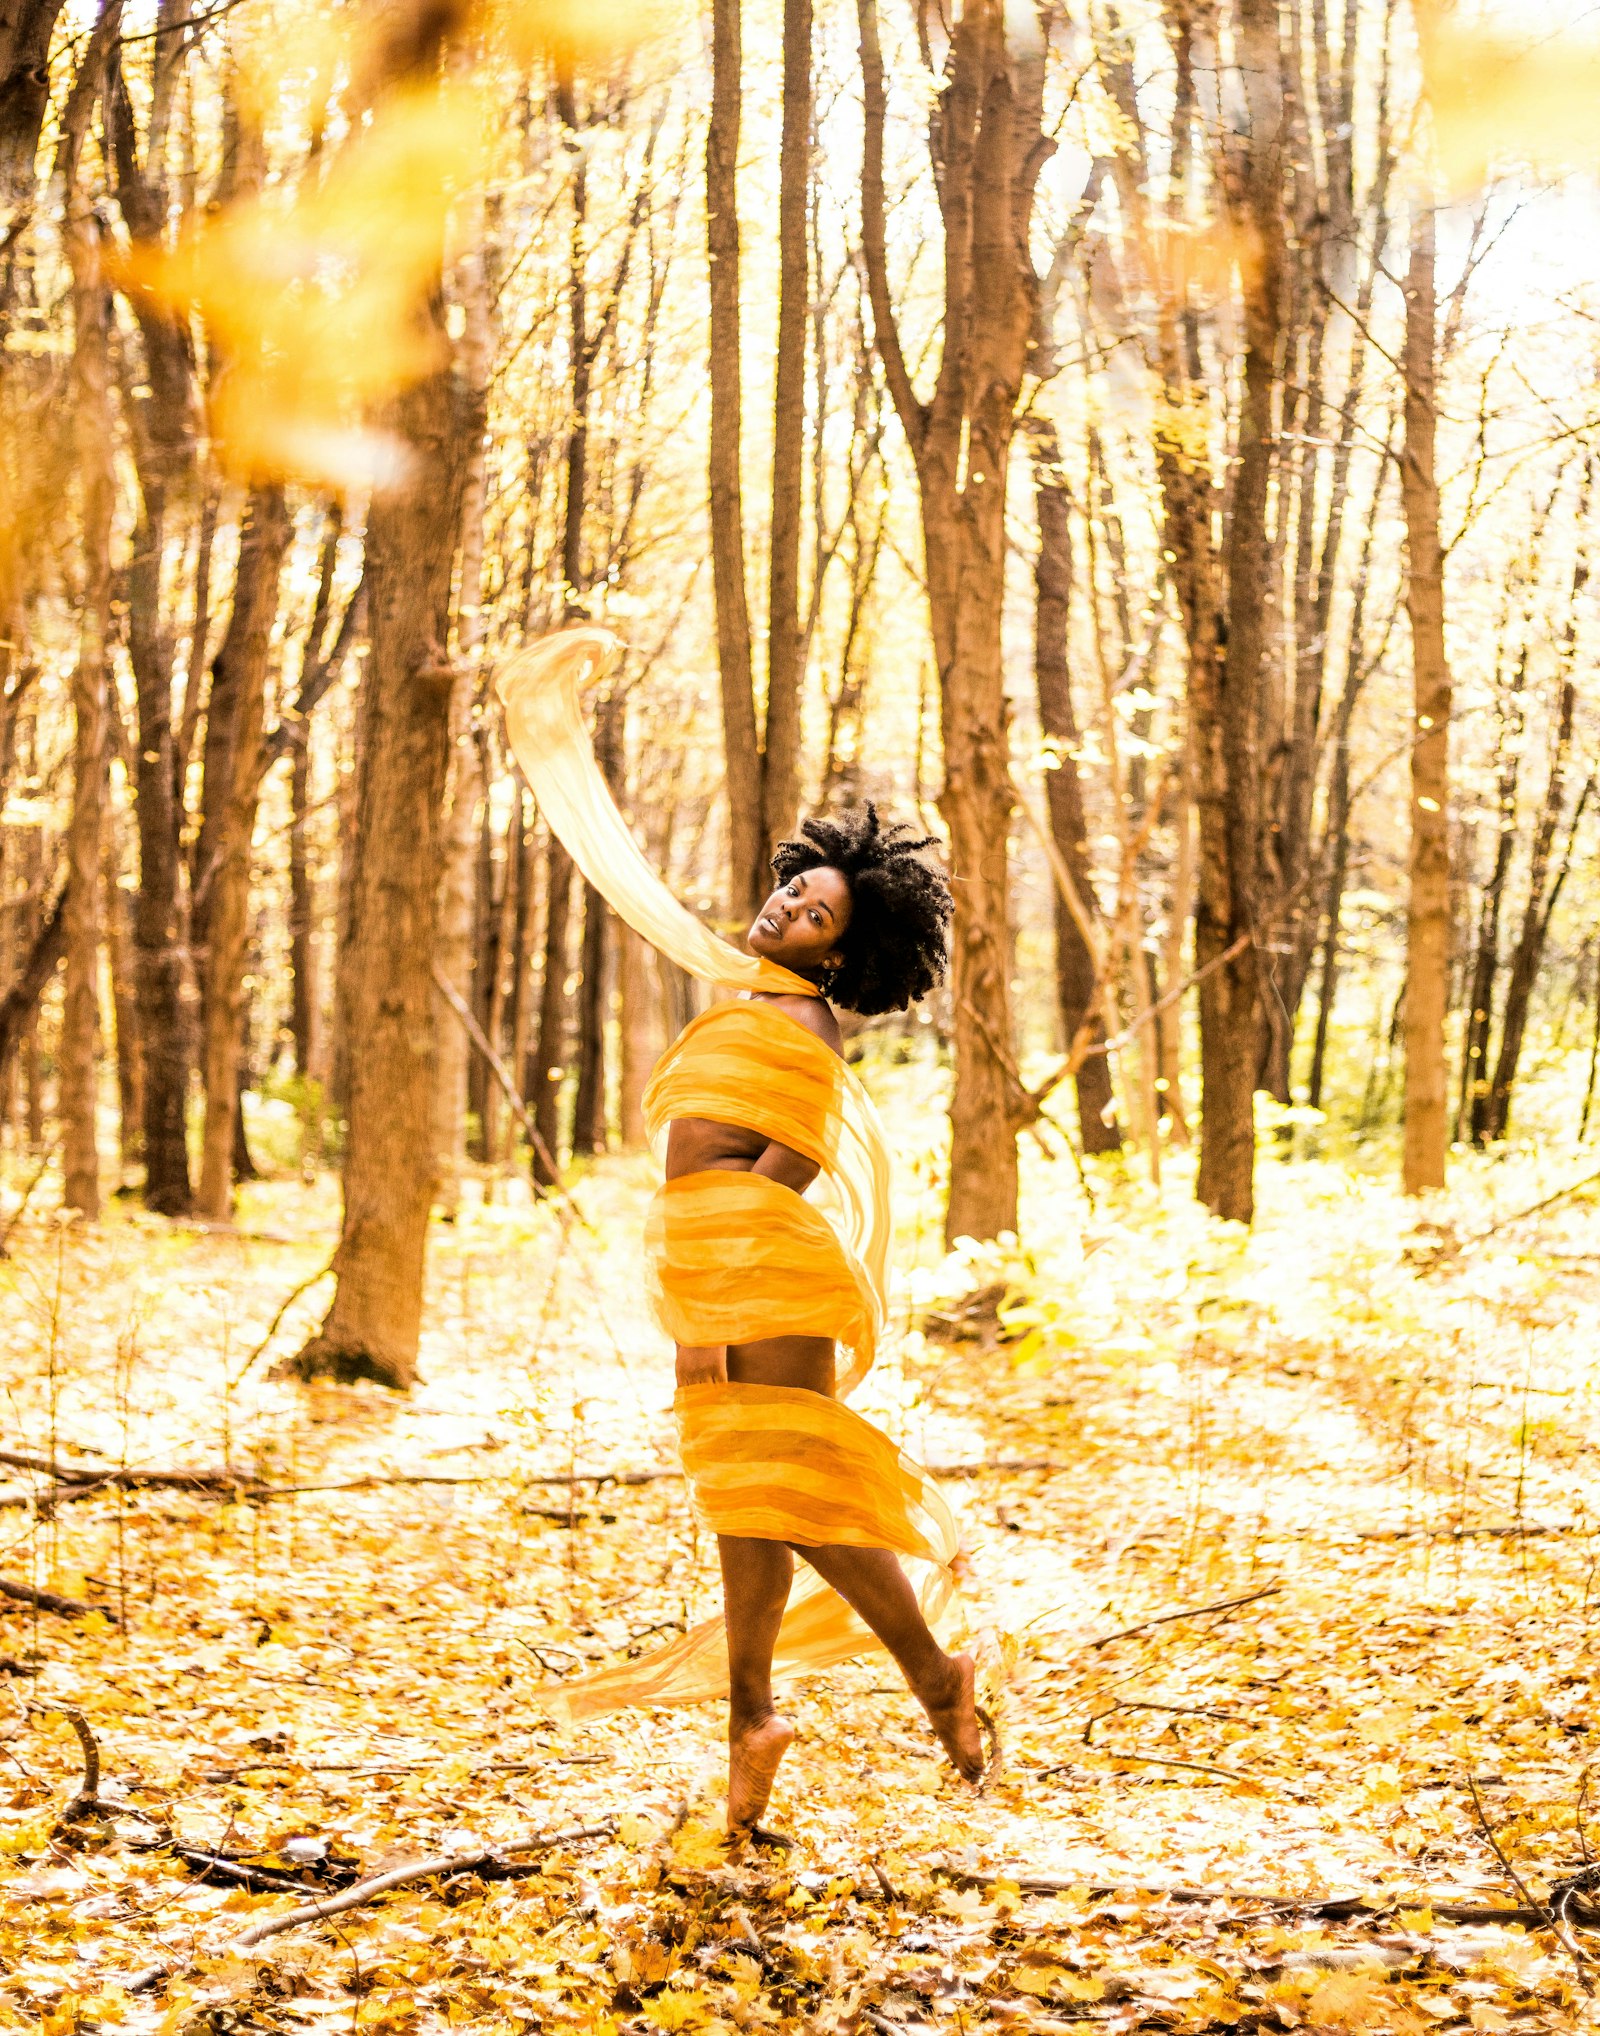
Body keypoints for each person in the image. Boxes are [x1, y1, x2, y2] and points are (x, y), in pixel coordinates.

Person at [497, 629, 993, 1837]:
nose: (787, 902)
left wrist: (723, 1270)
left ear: (841, 949)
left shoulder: (804, 1025)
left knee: (789, 1490)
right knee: (750, 1489)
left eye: (813, 908)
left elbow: (796, 1154)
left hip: (756, 1262)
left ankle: (918, 1675)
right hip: (723, 1254)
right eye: (793, 884)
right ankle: (759, 1716)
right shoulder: (756, 990)